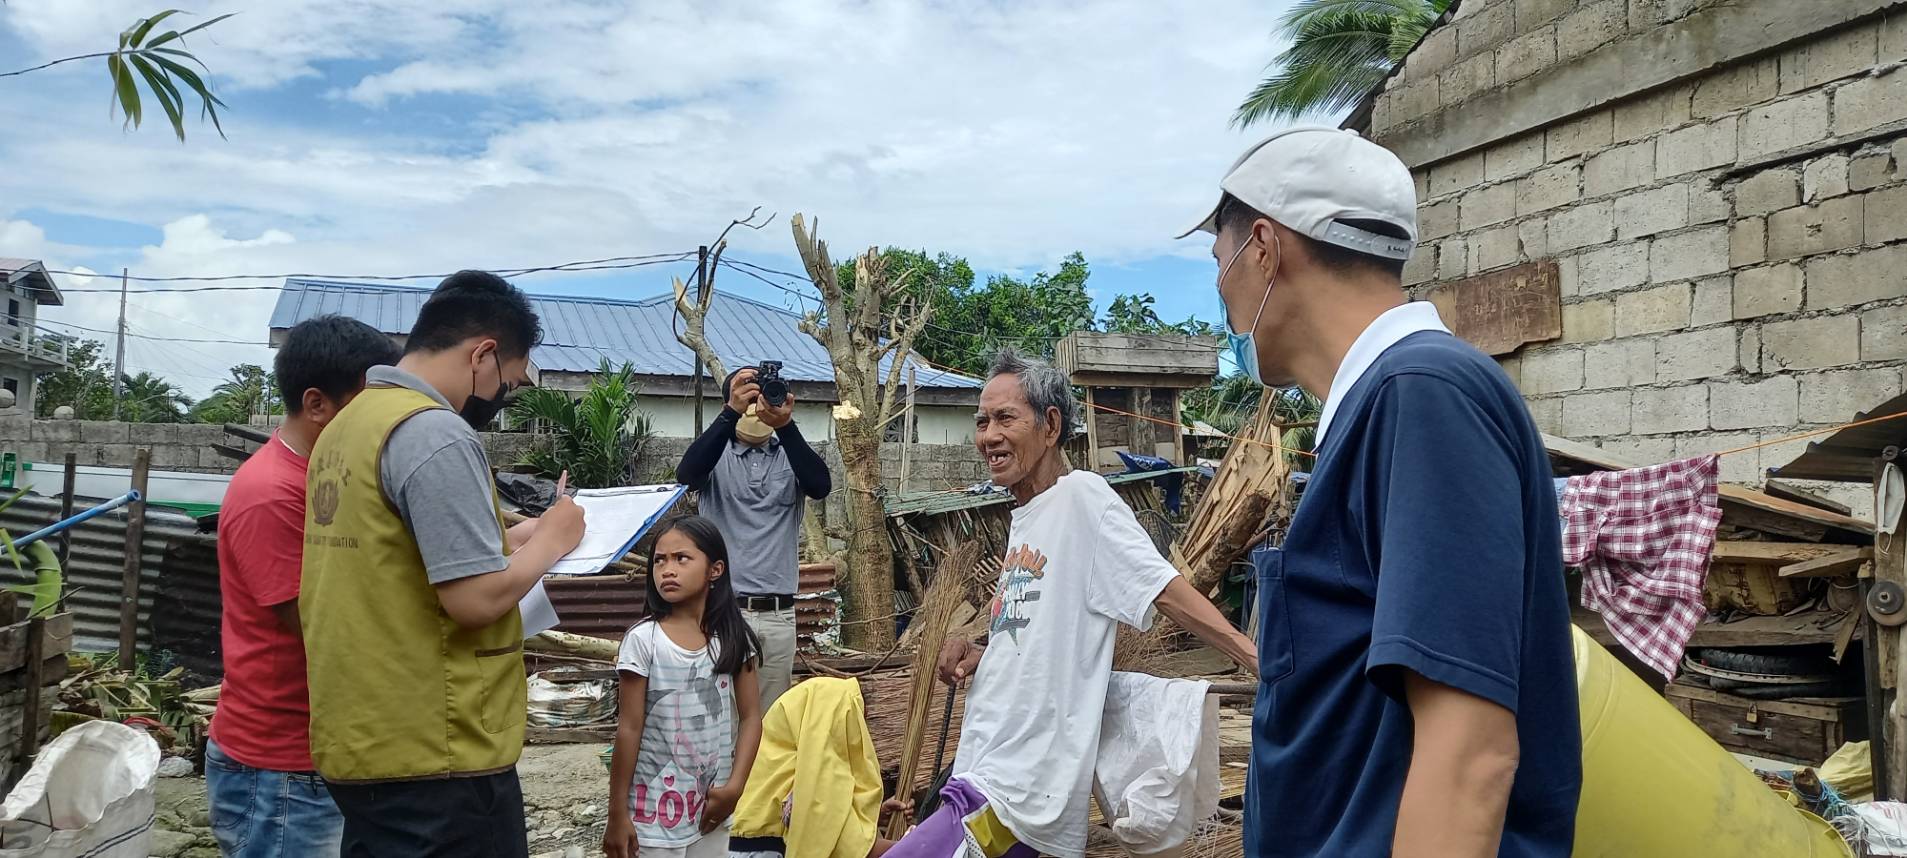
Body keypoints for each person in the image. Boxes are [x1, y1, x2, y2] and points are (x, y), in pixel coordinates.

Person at [1183, 127, 1580, 858]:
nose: (1218, 289)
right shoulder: (1382, 404)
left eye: (1219, 259)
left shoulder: (1421, 395)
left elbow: (1471, 756)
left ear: (1265, 248)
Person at [891, 350, 1257, 858]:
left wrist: (1258, 659)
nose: (988, 435)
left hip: (1016, 792)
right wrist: (982, 651)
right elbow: (1035, 635)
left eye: (1005, 418)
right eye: (981, 421)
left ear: (1050, 425)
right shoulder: (1027, 517)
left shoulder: (1083, 498)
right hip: (983, 765)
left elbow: (1166, 591)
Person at [300, 270, 587, 858]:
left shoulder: (347, 426)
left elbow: (397, 564)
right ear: (482, 353)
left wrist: (518, 538)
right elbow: (474, 600)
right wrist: (552, 540)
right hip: (439, 753)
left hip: (363, 736)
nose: (503, 398)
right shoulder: (435, 434)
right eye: (508, 382)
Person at [206, 315, 399, 858]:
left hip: (317, 751)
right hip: (281, 766)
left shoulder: (327, 476)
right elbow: (317, 622)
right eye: (367, 407)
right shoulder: (273, 493)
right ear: (317, 405)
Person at [605, 515, 764, 858]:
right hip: (651, 815)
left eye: (681, 558)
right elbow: (629, 729)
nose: (667, 569)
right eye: (659, 560)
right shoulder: (643, 640)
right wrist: (617, 812)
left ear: (715, 570)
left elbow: (752, 718)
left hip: (710, 809)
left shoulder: (733, 639)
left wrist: (734, 788)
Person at [675, 366, 831, 712]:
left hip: (778, 616)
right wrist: (730, 413)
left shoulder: (790, 457)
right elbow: (686, 475)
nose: (756, 405)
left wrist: (786, 426)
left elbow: (821, 486)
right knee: (720, 718)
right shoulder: (716, 457)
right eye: (746, 396)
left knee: (771, 723)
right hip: (723, 612)